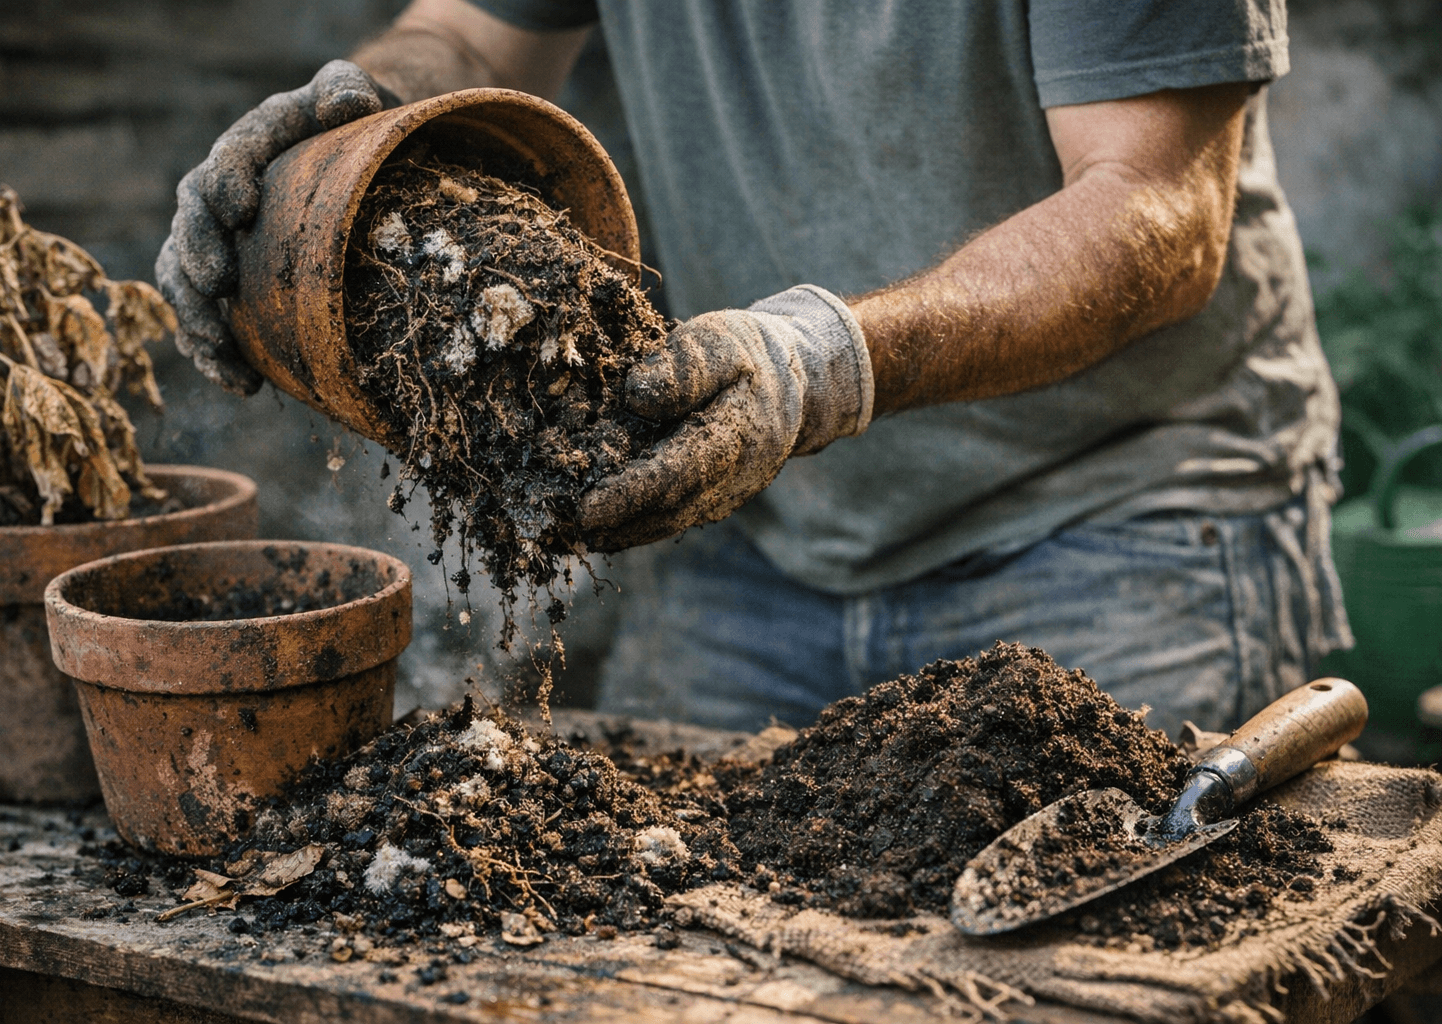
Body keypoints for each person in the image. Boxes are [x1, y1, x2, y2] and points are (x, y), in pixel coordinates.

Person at [158, 0, 1351, 738]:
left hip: (1110, 523)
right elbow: (468, 31)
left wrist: (819, 361)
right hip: (765, 537)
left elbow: (1157, 202)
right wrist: (370, 104)